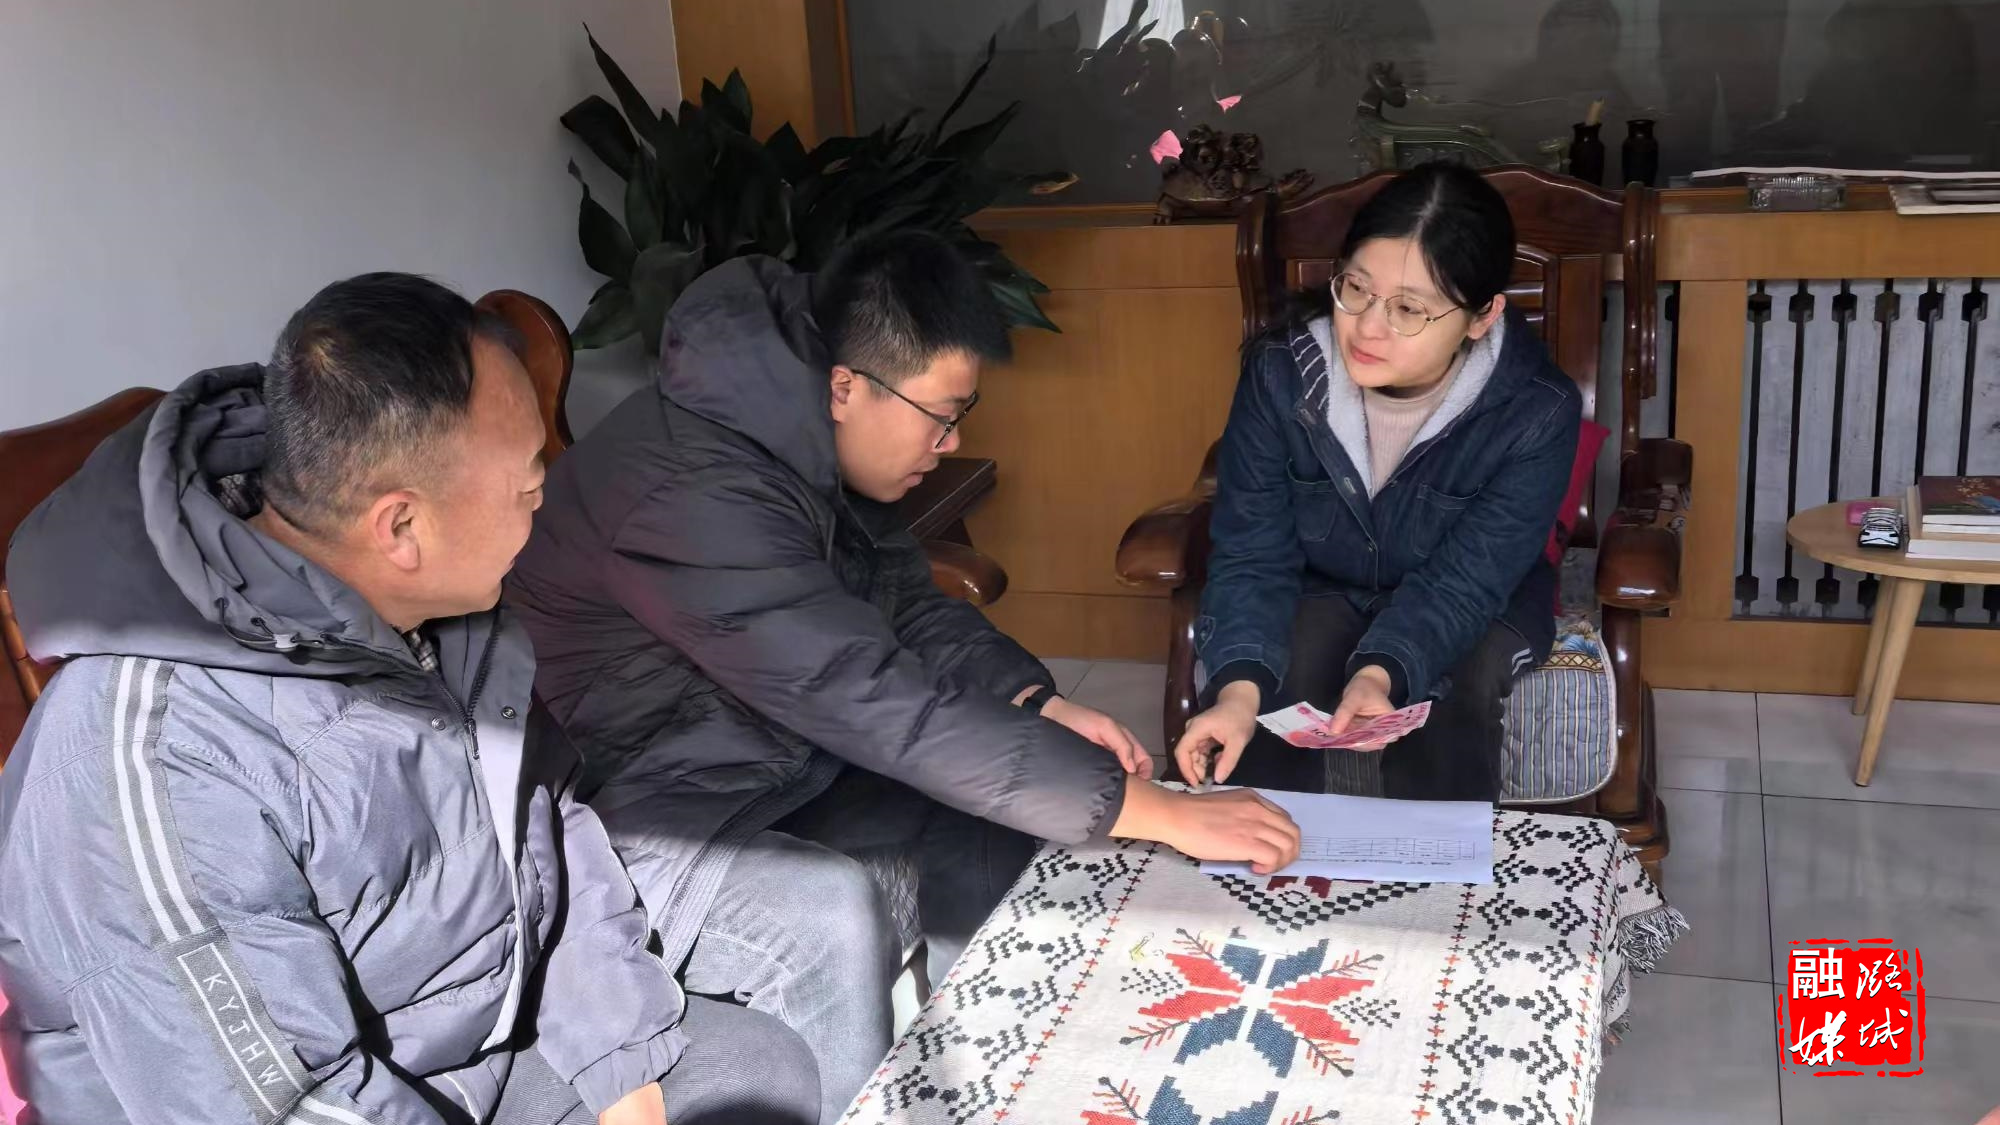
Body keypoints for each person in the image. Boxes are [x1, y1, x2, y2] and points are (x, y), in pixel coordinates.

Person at [504, 230, 1301, 1121]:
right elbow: (871, 697)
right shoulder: (696, 492)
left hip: (756, 752)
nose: (953, 441)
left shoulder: (796, 430)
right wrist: (1156, 809)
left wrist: (1036, 700)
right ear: (848, 387)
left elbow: (903, 606)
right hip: (627, 811)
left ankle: (1019, 1080)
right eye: (941, 414)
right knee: (830, 913)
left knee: (991, 821)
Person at [0, 275, 818, 1125]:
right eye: (527, 487)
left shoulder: (441, 613)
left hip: (469, 1037)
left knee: (756, 1071)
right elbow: (280, 1103)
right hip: (309, 1100)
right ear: (401, 528)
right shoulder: (157, 753)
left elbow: (546, 825)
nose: (544, 501)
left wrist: (623, 1069)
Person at [1174, 162, 1581, 802]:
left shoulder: (1537, 410)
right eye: (1357, 289)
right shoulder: (1281, 376)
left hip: (1475, 597)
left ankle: (1435, 867)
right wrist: (1237, 693)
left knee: (1457, 684)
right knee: (1280, 676)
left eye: (1408, 309)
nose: (1367, 326)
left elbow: (1469, 579)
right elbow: (1253, 549)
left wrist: (1382, 670)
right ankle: (1258, 855)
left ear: (1482, 317)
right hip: (1322, 582)